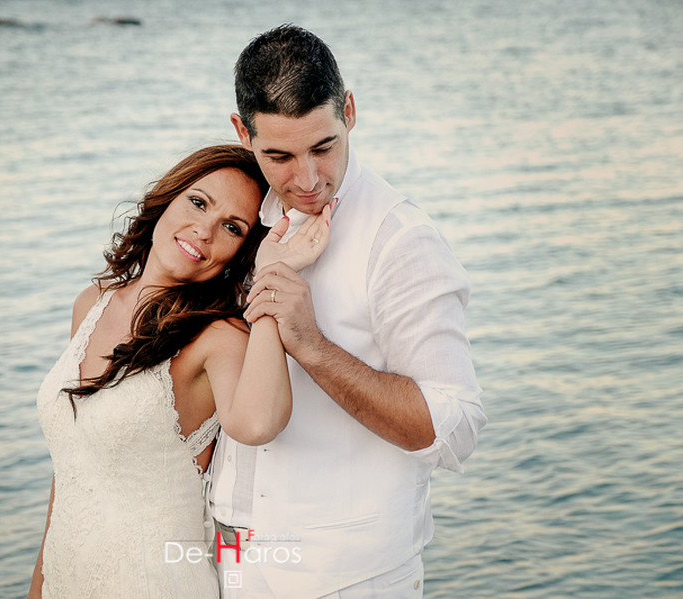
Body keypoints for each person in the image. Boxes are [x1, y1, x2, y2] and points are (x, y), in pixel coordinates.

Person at [208, 25, 487, 598]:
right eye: (279, 156)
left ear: (350, 110)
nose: (306, 179)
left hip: (347, 580)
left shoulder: (400, 240)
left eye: (324, 146)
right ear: (243, 132)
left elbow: (453, 426)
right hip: (226, 566)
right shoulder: (232, 218)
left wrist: (311, 344)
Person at [27, 144, 331, 598]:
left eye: (232, 227)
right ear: (167, 197)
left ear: (239, 253)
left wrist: (272, 273)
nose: (204, 231)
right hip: (67, 579)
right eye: (197, 202)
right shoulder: (92, 303)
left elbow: (257, 422)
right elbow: (70, 472)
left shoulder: (218, 339)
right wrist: (40, 586)